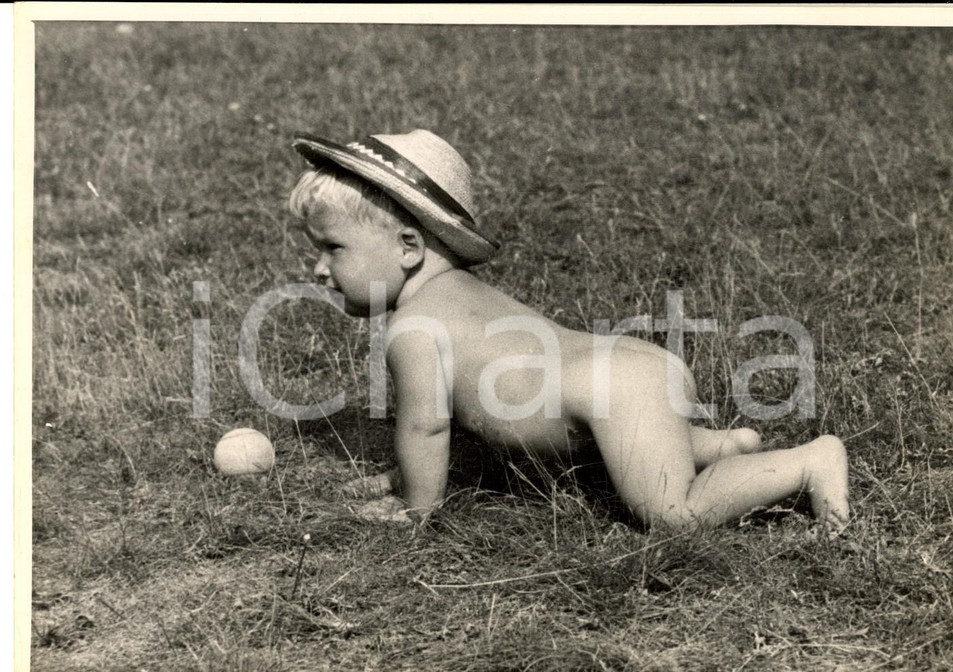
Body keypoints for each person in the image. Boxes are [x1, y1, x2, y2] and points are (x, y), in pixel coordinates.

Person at [288, 129, 850, 535]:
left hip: (612, 389)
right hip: (624, 371)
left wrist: (417, 504)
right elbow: (467, 428)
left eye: (331, 248)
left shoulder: (412, 328)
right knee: (611, 455)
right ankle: (719, 448)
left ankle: (807, 462)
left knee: (675, 515)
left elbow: (427, 426)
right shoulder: (465, 294)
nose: (318, 268)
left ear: (409, 247)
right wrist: (401, 474)